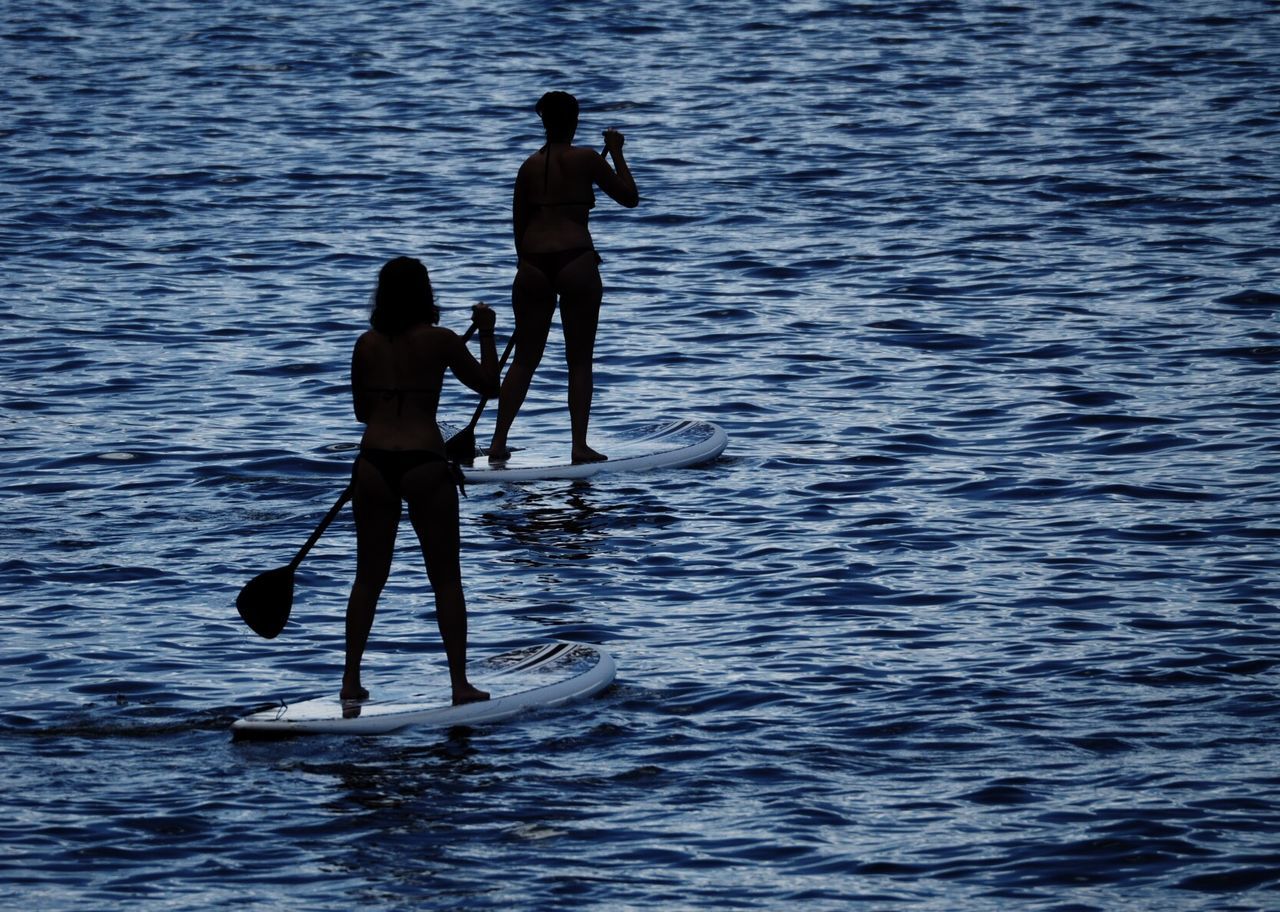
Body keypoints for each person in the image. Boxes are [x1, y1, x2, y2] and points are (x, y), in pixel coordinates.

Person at [343, 256, 498, 705]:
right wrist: (486, 332)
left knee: (367, 579)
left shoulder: (365, 344)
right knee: (446, 578)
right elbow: (490, 386)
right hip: (426, 465)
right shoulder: (442, 340)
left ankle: (350, 681)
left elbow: (362, 414)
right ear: (424, 295)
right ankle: (459, 685)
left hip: (372, 465)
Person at [488, 90, 639, 464]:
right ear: (575, 121)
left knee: (524, 359)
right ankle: (578, 445)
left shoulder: (527, 166)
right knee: (580, 361)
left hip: (532, 266)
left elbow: (518, 228)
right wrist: (617, 151)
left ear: (544, 122)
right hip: (576, 261)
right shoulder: (587, 158)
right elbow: (629, 197)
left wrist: (528, 267)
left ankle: (497, 442)